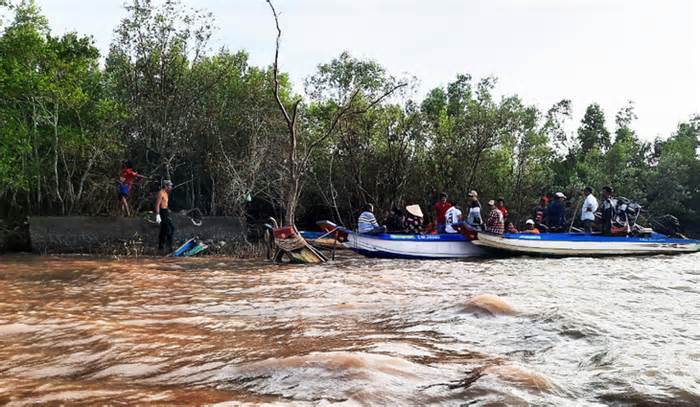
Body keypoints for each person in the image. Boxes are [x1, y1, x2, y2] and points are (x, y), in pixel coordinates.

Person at [155, 180, 175, 253]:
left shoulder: (166, 193)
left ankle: (161, 247)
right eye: (170, 186)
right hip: (162, 212)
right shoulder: (160, 193)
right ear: (166, 186)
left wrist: (168, 210)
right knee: (169, 229)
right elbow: (157, 204)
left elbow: (165, 204)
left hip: (165, 211)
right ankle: (169, 247)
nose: (171, 187)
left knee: (164, 230)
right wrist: (157, 215)